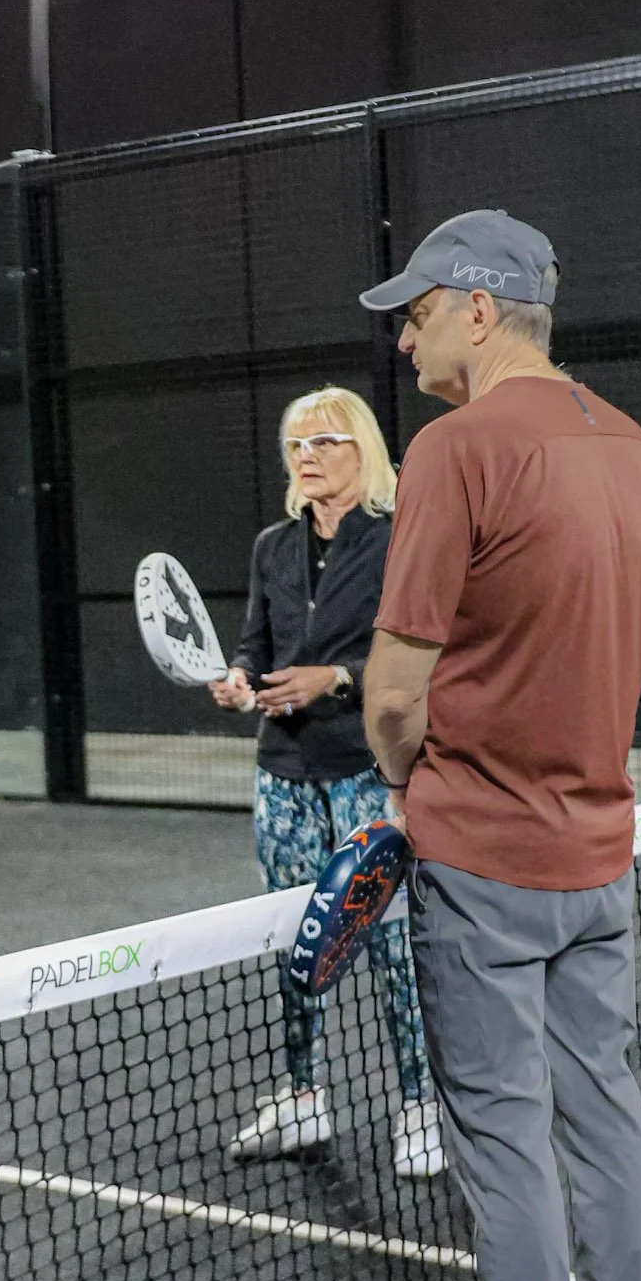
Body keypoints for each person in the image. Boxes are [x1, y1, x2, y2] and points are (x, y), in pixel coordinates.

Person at [359, 210, 641, 1281]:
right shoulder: (631, 448)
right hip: (599, 850)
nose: (403, 333)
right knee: (599, 1111)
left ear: (478, 310)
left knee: (503, 1143)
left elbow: (393, 687)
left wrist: (395, 783)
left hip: (482, 858)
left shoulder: (453, 448)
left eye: (415, 310)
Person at [215, 386, 443, 1178]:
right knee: (292, 944)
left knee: (389, 943)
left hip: (364, 775)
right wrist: (241, 679)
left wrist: (335, 680)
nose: (306, 457)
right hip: (281, 778)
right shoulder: (271, 547)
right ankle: (301, 1094)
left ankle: (418, 1105)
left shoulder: (396, 541)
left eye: (324, 442)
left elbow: (423, 654)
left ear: (362, 452)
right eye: (296, 446)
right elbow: (254, 642)